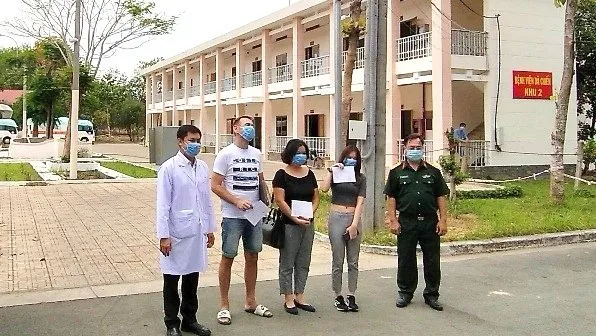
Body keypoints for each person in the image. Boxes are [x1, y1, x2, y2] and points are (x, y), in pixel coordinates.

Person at [211, 115, 272, 325]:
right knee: (228, 257)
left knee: (253, 256)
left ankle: (251, 301)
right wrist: (236, 201)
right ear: (235, 128)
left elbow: (260, 180)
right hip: (232, 216)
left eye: (252, 125)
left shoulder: (256, 154)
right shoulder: (225, 154)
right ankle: (224, 306)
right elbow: (216, 185)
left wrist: (266, 199)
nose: (250, 129)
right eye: (247, 125)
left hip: (254, 215)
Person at [156, 125, 215, 336]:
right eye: (192, 140)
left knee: (192, 279)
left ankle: (190, 319)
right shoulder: (169, 168)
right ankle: (172, 323)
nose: (196, 144)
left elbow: (206, 201)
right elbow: (163, 205)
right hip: (175, 233)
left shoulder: (202, 167)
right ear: (180, 141)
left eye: (198, 140)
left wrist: (209, 229)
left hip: (196, 231)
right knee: (172, 280)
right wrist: (164, 236)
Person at [384, 133, 450, 312]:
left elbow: (441, 197)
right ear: (405, 149)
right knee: (406, 259)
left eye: (418, 147)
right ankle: (405, 292)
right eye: (411, 148)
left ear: (423, 149)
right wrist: (393, 220)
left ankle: (432, 294)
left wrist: (443, 220)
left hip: (430, 222)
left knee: (432, 260)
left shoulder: (433, 172)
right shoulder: (396, 172)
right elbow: (391, 198)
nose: (415, 151)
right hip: (407, 222)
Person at [272, 139, 320, 315]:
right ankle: (288, 297)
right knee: (287, 261)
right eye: (298, 152)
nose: (302, 156)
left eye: (304, 152)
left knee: (304, 260)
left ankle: (300, 294)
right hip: (289, 224)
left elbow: (316, 197)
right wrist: (293, 216)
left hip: (307, 223)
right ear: (290, 154)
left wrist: (311, 213)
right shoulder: (281, 174)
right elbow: (279, 199)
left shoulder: (310, 173)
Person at [320, 145, 366, 312]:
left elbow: (360, 201)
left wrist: (354, 224)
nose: (351, 160)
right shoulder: (337, 173)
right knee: (338, 259)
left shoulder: (360, 178)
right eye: (348, 157)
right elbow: (324, 189)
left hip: (353, 217)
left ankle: (351, 294)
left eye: (354, 158)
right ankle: (338, 294)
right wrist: (331, 171)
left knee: (353, 260)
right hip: (336, 217)